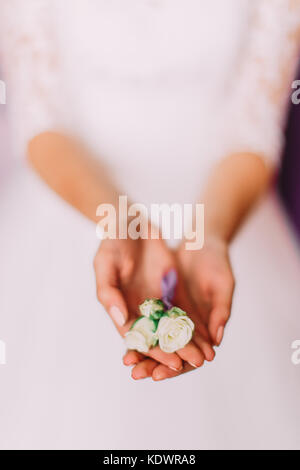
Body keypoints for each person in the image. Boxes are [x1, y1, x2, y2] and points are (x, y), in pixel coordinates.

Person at [0, 0, 300, 450]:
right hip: (76, 208)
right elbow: (40, 123)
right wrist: (120, 222)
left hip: (219, 210)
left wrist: (209, 233)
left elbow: (253, 130)